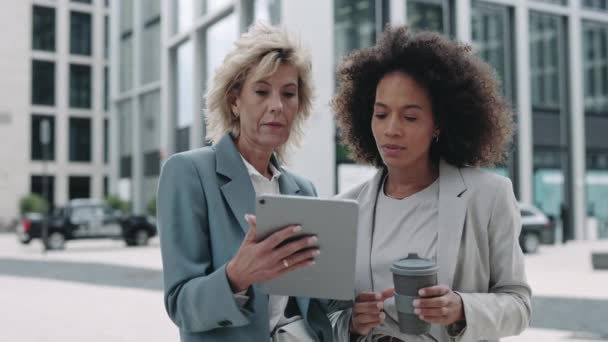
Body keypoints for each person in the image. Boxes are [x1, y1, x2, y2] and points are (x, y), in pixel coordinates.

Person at [329, 26, 532, 341]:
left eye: (410, 117)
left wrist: (461, 308)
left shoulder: (488, 196)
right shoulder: (345, 208)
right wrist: (353, 323)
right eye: (381, 114)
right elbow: (324, 315)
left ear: (438, 124)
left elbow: (518, 304)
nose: (391, 130)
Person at [157, 23, 332, 342]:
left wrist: (354, 313)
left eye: (288, 94)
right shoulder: (188, 173)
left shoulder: (302, 189)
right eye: (262, 91)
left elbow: (312, 305)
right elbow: (180, 304)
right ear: (235, 100)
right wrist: (236, 276)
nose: (277, 106)